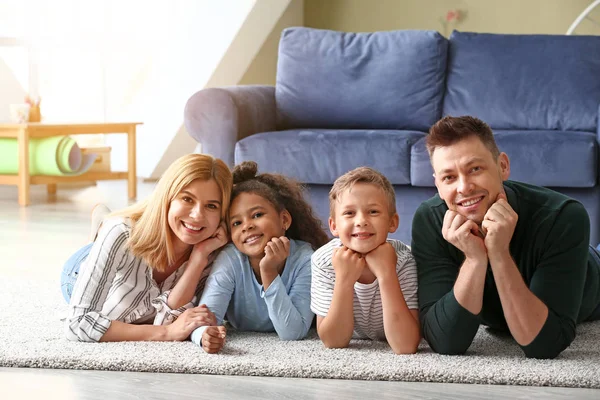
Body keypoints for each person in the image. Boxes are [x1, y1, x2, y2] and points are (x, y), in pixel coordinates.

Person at [412, 115, 600, 359]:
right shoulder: (429, 220)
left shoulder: (562, 216)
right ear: (437, 184)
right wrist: (475, 259)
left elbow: (544, 345)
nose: (464, 187)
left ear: (502, 166)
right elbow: (445, 341)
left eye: (475, 169)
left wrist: (499, 253)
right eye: (449, 177)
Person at [62, 153, 233, 342]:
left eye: (211, 206)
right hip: (79, 270)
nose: (197, 215)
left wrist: (198, 258)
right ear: (167, 198)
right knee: (112, 231)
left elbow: (168, 320)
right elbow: (78, 323)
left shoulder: (212, 249)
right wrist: (166, 334)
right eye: (187, 199)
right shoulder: (121, 232)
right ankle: (101, 226)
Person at [190, 161, 329, 353]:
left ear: (284, 220)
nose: (247, 226)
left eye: (256, 215)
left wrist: (269, 271)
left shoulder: (305, 258)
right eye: (237, 222)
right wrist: (204, 334)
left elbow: (292, 332)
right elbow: (205, 316)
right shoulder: (231, 259)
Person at [310, 167, 420, 354]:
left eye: (373, 212)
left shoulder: (404, 260)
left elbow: (406, 345)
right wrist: (344, 279)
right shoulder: (323, 260)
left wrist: (387, 274)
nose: (361, 221)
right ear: (334, 226)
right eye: (349, 213)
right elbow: (333, 341)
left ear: (392, 222)